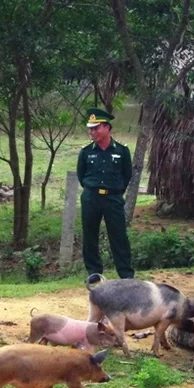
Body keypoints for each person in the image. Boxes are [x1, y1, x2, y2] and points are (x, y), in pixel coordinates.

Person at [77, 108, 134, 280]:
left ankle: (125, 275)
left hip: (113, 198)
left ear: (107, 128)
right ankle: (94, 273)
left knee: (118, 236)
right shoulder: (86, 152)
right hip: (91, 198)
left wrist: (114, 192)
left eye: (96, 128)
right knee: (90, 236)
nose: (92, 132)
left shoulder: (122, 151)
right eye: (90, 128)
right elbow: (82, 175)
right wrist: (92, 189)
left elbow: (127, 175)